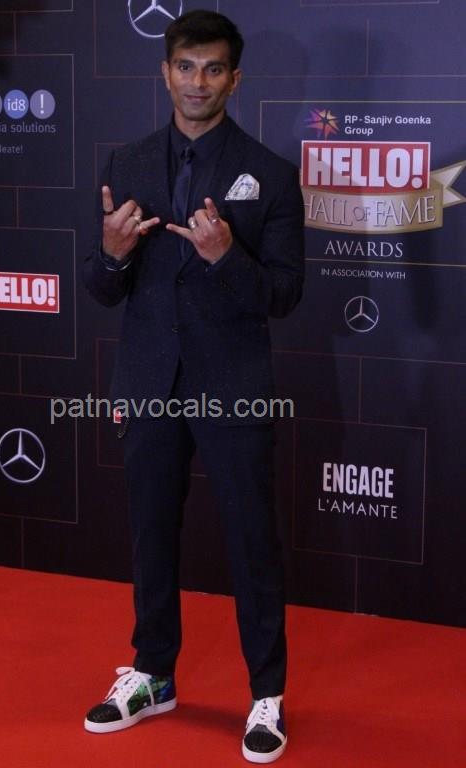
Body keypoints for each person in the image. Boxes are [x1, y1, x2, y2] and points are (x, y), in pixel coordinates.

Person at [82, 9, 304, 763]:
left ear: (235, 78)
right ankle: (152, 674)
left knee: (252, 541)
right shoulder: (129, 162)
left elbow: (285, 295)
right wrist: (111, 253)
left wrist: (226, 258)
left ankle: (266, 693)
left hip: (234, 383)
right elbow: (102, 288)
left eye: (213, 69)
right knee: (150, 533)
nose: (197, 82)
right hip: (149, 379)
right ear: (165, 72)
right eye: (185, 67)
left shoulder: (270, 174)